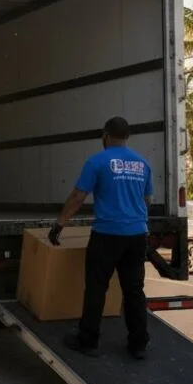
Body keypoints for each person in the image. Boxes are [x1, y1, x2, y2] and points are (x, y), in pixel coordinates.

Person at [49, 116, 152, 359]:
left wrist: (59, 224)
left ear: (105, 135)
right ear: (127, 137)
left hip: (107, 234)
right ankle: (138, 344)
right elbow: (146, 201)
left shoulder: (97, 161)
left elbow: (77, 197)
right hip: (137, 235)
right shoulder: (142, 163)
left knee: (96, 288)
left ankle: (88, 341)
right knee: (134, 291)